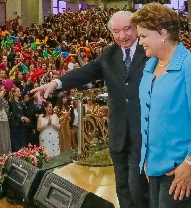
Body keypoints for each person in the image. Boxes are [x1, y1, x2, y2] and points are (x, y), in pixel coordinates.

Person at [32, 11, 150, 208]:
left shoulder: (148, 50)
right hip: (118, 132)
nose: (123, 36)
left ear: (137, 27)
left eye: (127, 29)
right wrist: (55, 83)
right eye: (116, 31)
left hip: (144, 132)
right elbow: (84, 73)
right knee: (122, 186)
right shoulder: (108, 54)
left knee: (138, 187)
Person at [132, 3, 191, 208]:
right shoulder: (150, 66)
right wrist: (148, 160)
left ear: (163, 33)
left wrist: (190, 164)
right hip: (158, 165)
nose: (140, 42)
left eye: (144, 36)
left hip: (188, 167)